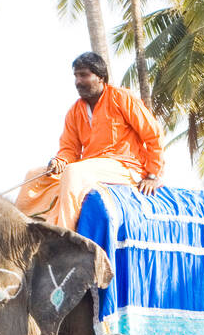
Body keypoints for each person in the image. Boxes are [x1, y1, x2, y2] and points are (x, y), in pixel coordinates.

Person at [16, 52, 164, 231]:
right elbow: (69, 149)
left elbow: (153, 134)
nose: (78, 81)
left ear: (101, 77)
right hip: (90, 168)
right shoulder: (75, 111)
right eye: (76, 76)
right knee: (33, 175)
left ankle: (64, 235)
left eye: (84, 75)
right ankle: (21, 234)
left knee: (73, 172)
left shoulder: (121, 98)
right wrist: (59, 161)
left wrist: (152, 175)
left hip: (125, 167)